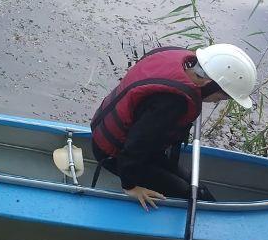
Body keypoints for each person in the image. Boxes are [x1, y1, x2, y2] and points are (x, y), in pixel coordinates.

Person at [90, 43, 257, 211]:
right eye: (220, 97)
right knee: (193, 195)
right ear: (209, 82)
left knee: (197, 188)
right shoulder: (172, 103)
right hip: (115, 155)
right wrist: (130, 186)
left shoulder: (179, 59)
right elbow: (136, 146)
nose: (215, 102)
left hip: (127, 142)